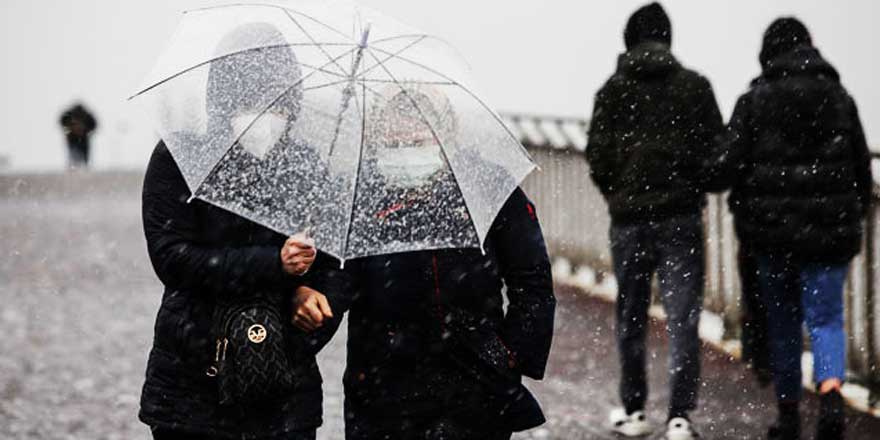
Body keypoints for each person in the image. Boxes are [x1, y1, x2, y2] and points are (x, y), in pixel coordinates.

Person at [294, 85, 556, 439]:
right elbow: (336, 284)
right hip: (381, 387)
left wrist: (510, 354)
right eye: (396, 142)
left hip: (474, 384)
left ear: (445, 133)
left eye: (418, 141)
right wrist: (306, 313)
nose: (406, 151)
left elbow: (532, 281)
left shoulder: (486, 186)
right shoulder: (360, 194)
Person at [139, 23, 347, 440]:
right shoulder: (182, 158)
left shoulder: (310, 166)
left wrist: (314, 304)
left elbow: (337, 266)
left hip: (285, 391)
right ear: (223, 95)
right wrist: (274, 265)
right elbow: (172, 257)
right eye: (249, 97)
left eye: (276, 100)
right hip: (191, 386)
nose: (264, 113)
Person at [709, 17, 873, 440]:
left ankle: (788, 416)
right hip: (828, 236)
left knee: (782, 324)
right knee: (827, 320)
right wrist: (849, 213)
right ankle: (832, 395)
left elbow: (728, 165)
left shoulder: (754, 101)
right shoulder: (839, 98)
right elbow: (859, 166)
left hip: (771, 238)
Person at [584, 3, 723, 438]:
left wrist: (621, 193)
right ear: (668, 38)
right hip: (680, 217)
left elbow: (598, 157)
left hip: (629, 222)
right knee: (682, 318)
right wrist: (689, 183)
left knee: (631, 315)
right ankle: (680, 416)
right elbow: (714, 151)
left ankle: (634, 409)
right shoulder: (694, 88)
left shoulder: (611, 91)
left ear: (629, 39)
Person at [60, 103, 97, 169]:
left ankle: (79, 166)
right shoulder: (72, 114)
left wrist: (86, 130)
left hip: (82, 137)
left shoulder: (85, 115)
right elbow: (62, 121)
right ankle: (75, 166)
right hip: (75, 137)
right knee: (76, 152)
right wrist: (69, 128)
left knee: (80, 152)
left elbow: (93, 124)